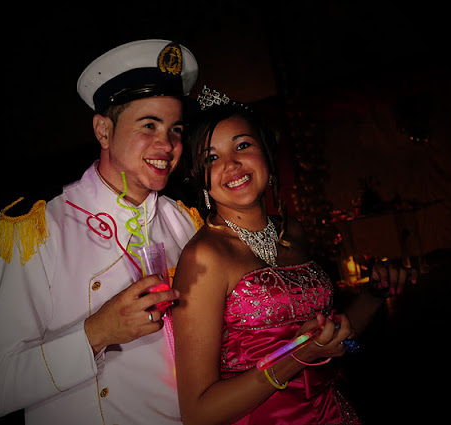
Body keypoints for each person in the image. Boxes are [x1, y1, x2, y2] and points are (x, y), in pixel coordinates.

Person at [0, 39, 202, 425]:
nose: (167, 144)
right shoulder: (38, 229)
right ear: (103, 130)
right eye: (149, 125)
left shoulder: (185, 220)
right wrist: (96, 333)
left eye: (175, 129)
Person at [171, 94, 417, 425]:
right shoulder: (205, 256)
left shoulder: (293, 231)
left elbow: (327, 338)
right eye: (211, 157)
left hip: (333, 412)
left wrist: (373, 295)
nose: (231, 164)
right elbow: (198, 413)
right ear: (198, 175)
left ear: (266, 153)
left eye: (242, 146)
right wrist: (298, 357)